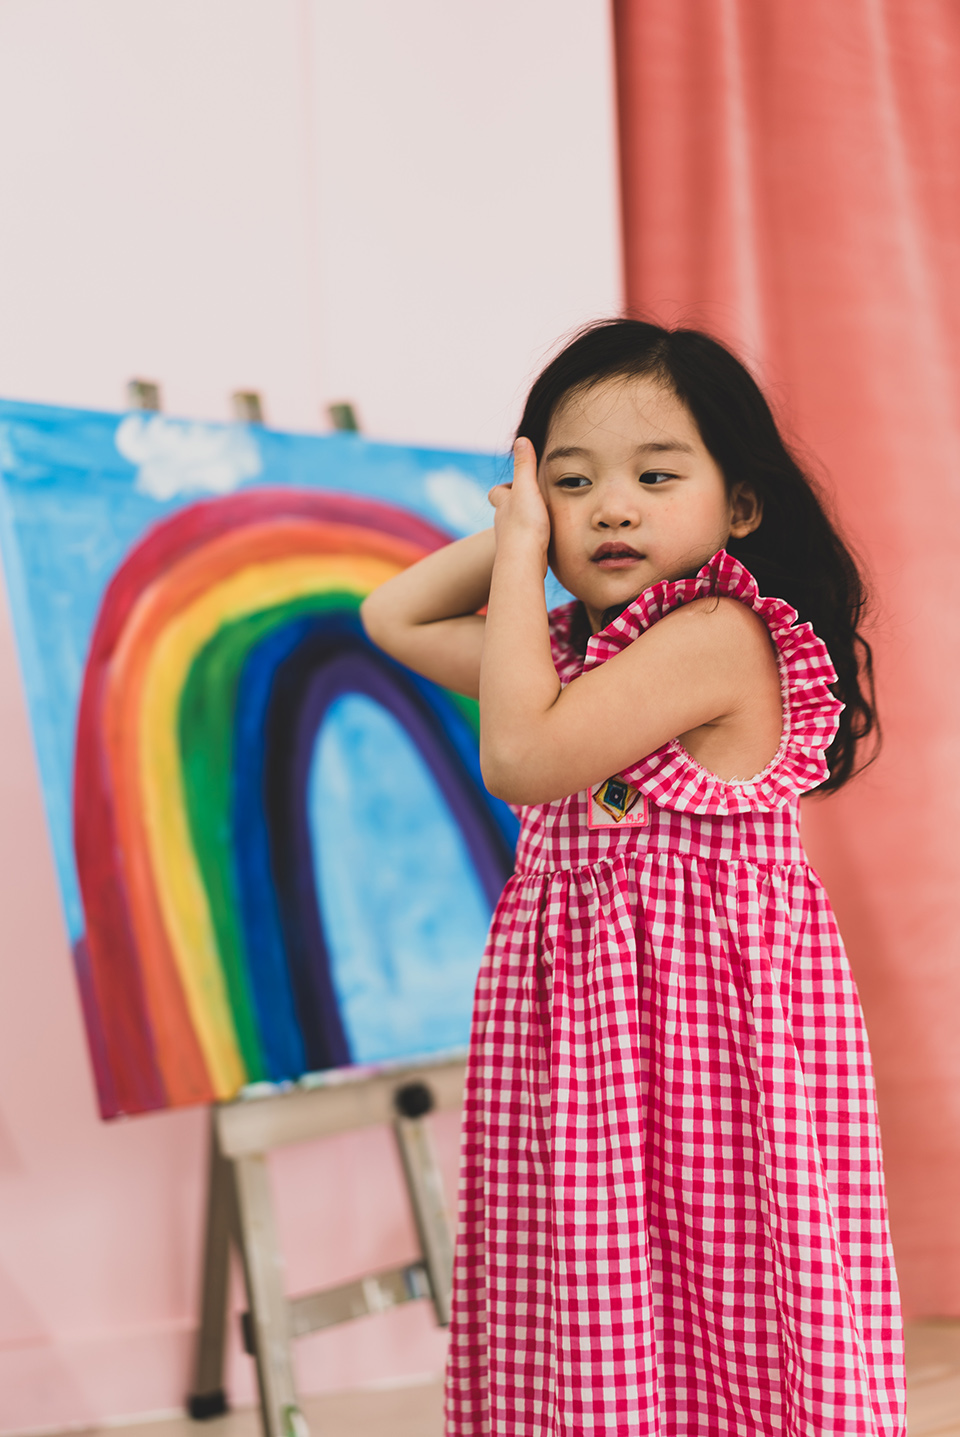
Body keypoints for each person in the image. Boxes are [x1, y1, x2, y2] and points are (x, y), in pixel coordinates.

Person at [361, 319, 906, 1436]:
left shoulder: (717, 632)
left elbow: (519, 755)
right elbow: (393, 616)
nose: (613, 507)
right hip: (589, 1042)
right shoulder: (565, 658)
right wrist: (522, 529)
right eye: (574, 482)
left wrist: (523, 554)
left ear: (737, 506)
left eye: (658, 476)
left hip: (704, 1046)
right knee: (598, 1292)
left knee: (725, 1297)